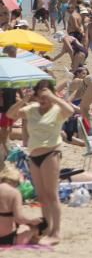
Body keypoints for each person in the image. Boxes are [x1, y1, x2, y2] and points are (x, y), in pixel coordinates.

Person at [6, 80, 75, 244]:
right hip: (34, 154)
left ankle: (56, 232)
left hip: (51, 152)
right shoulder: (32, 110)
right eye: (41, 94)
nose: (43, 97)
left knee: (52, 194)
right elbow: (10, 114)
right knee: (42, 196)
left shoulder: (58, 110)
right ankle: (47, 227)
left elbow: (70, 111)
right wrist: (24, 100)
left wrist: (54, 97)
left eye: (46, 93)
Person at [0, 163, 43, 245]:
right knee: (34, 228)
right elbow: (19, 218)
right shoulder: (15, 193)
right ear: (16, 181)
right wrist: (32, 221)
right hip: (6, 238)